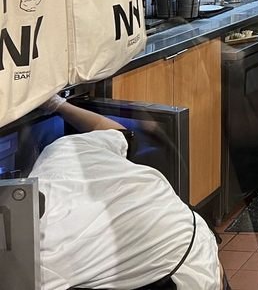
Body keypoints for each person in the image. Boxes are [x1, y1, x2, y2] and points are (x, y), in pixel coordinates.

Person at [30, 96, 223, 290]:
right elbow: (116, 130)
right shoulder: (64, 148)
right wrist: (57, 104)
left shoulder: (42, 251)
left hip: (174, 273)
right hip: (195, 234)